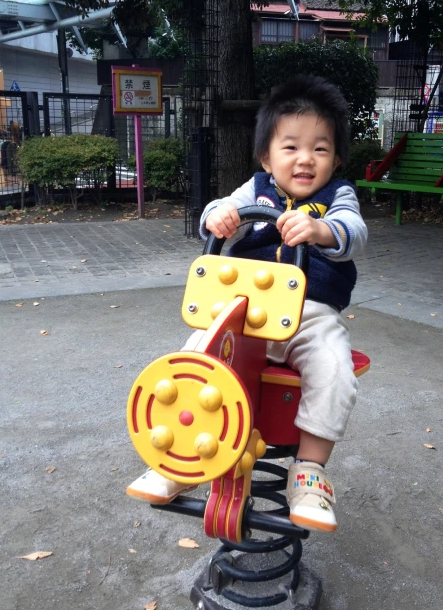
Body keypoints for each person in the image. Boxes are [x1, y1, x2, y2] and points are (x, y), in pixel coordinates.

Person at [127, 74, 368, 532]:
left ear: (335, 159)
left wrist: (322, 231)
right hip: (242, 313)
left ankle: (310, 471)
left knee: (333, 368)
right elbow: (215, 216)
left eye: (320, 148)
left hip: (309, 316)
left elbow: (354, 233)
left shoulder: (337, 197)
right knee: (197, 356)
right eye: (291, 147)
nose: (305, 158)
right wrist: (218, 217)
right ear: (266, 156)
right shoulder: (254, 188)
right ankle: (179, 458)